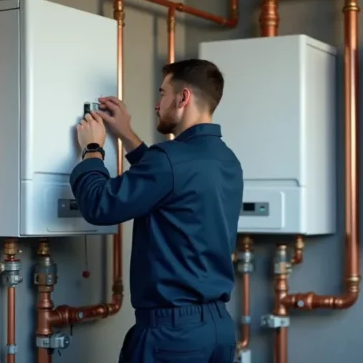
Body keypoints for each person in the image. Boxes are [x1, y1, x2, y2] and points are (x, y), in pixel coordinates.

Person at [69, 58, 243, 363]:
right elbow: (170, 183)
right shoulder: (226, 159)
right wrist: (127, 135)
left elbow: (99, 205)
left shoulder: (170, 159)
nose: (156, 104)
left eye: (162, 93)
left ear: (183, 97)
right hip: (218, 330)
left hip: (173, 335)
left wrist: (92, 149)